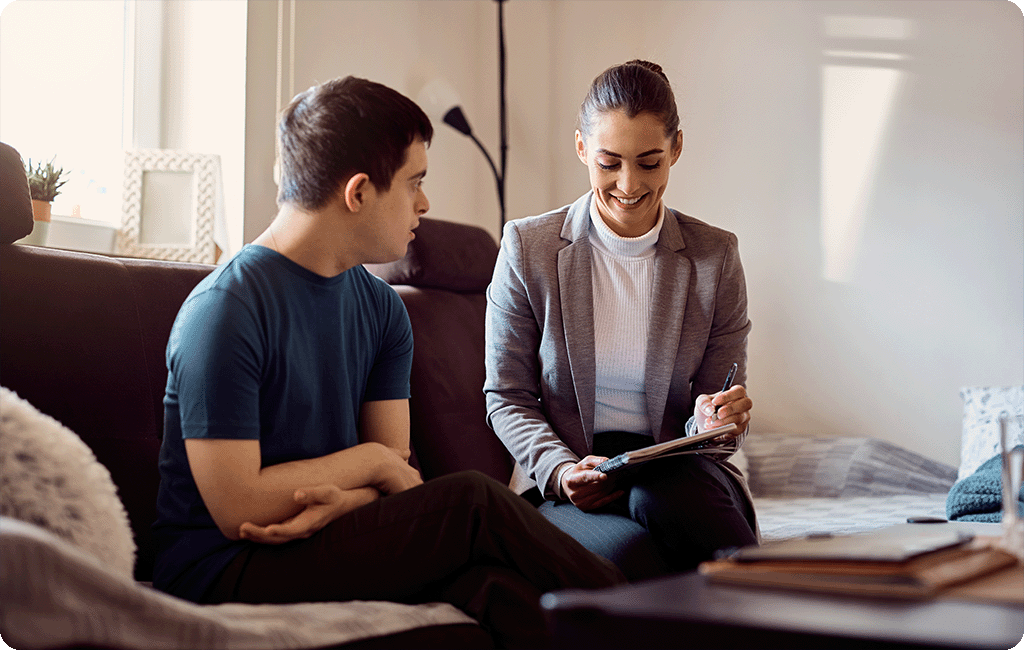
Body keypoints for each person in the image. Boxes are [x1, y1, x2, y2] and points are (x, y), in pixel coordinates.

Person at [152, 75, 624, 649]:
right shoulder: (226, 311)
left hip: (325, 533)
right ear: (358, 192)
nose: (425, 204)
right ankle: (664, 628)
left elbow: (395, 475)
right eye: (414, 182)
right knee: (472, 501)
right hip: (222, 570)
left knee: (496, 590)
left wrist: (354, 492)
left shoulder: (381, 311)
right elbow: (239, 505)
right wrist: (373, 463)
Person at [484, 60, 759, 581]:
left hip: (683, 480)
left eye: (649, 163)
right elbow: (507, 394)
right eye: (609, 163)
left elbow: (718, 410)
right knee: (631, 557)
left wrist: (715, 420)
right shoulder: (528, 249)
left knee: (670, 496)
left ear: (676, 148)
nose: (628, 185)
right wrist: (562, 470)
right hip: (573, 481)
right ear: (582, 149)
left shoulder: (715, 257)